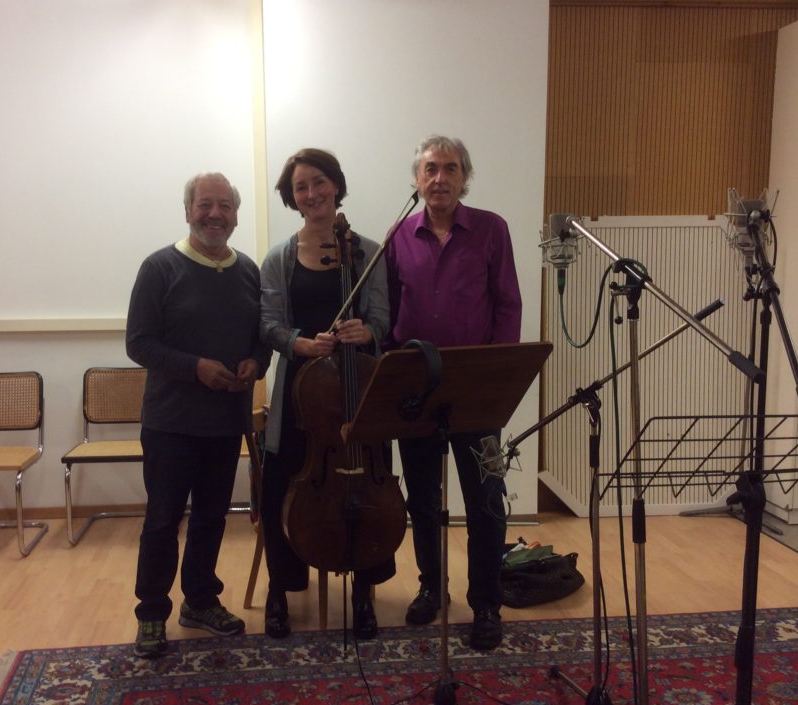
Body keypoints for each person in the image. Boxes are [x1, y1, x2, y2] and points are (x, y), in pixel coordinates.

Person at [385, 135, 522, 650]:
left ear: (465, 177)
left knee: (486, 499)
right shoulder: (397, 236)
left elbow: (507, 304)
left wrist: (497, 375)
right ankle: (431, 587)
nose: (439, 178)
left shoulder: (491, 229)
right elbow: (390, 311)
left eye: (450, 168)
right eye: (429, 168)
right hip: (416, 387)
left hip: (476, 389)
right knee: (422, 498)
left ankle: (487, 602)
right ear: (416, 179)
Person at [126, 172, 270, 658]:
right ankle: (151, 614)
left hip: (226, 421)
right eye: (205, 205)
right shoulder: (159, 268)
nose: (215, 214)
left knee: (212, 518)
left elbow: (260, 337)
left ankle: (201, 601)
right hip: (170, 423)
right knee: (163, 521)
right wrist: (195, 369)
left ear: (235, 214)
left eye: (225, 206)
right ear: (188, 211)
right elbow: (139, 343)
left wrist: (257, 362)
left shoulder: (248, 270)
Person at [259, 148, 395, 640]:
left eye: (319, 182)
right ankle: (281, 589)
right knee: (281, 486)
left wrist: (368, 333)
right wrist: (298, 342)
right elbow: (270, 324)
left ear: (336, 185)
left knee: (366, 485)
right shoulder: (278, 258)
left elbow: (383, 320)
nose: (312, 193)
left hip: (358, 393)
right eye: (301, 187)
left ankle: (363, 588)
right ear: (292, 198)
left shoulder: (370, 252)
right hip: (301, 396)